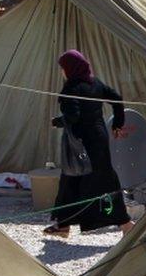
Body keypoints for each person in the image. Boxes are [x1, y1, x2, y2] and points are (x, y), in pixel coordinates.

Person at [43, 50, 134, 237]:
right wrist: (117, 124)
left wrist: (57, 122)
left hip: (82, 143)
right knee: (71, 180)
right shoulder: (95, 83)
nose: (62, 72)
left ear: (70, 69)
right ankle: (63, 226)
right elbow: (116, 98)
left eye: (63, 68)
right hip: (98, 139)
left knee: (100, 182)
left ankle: (125, 223)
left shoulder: (71, 89)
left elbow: (73, 116)